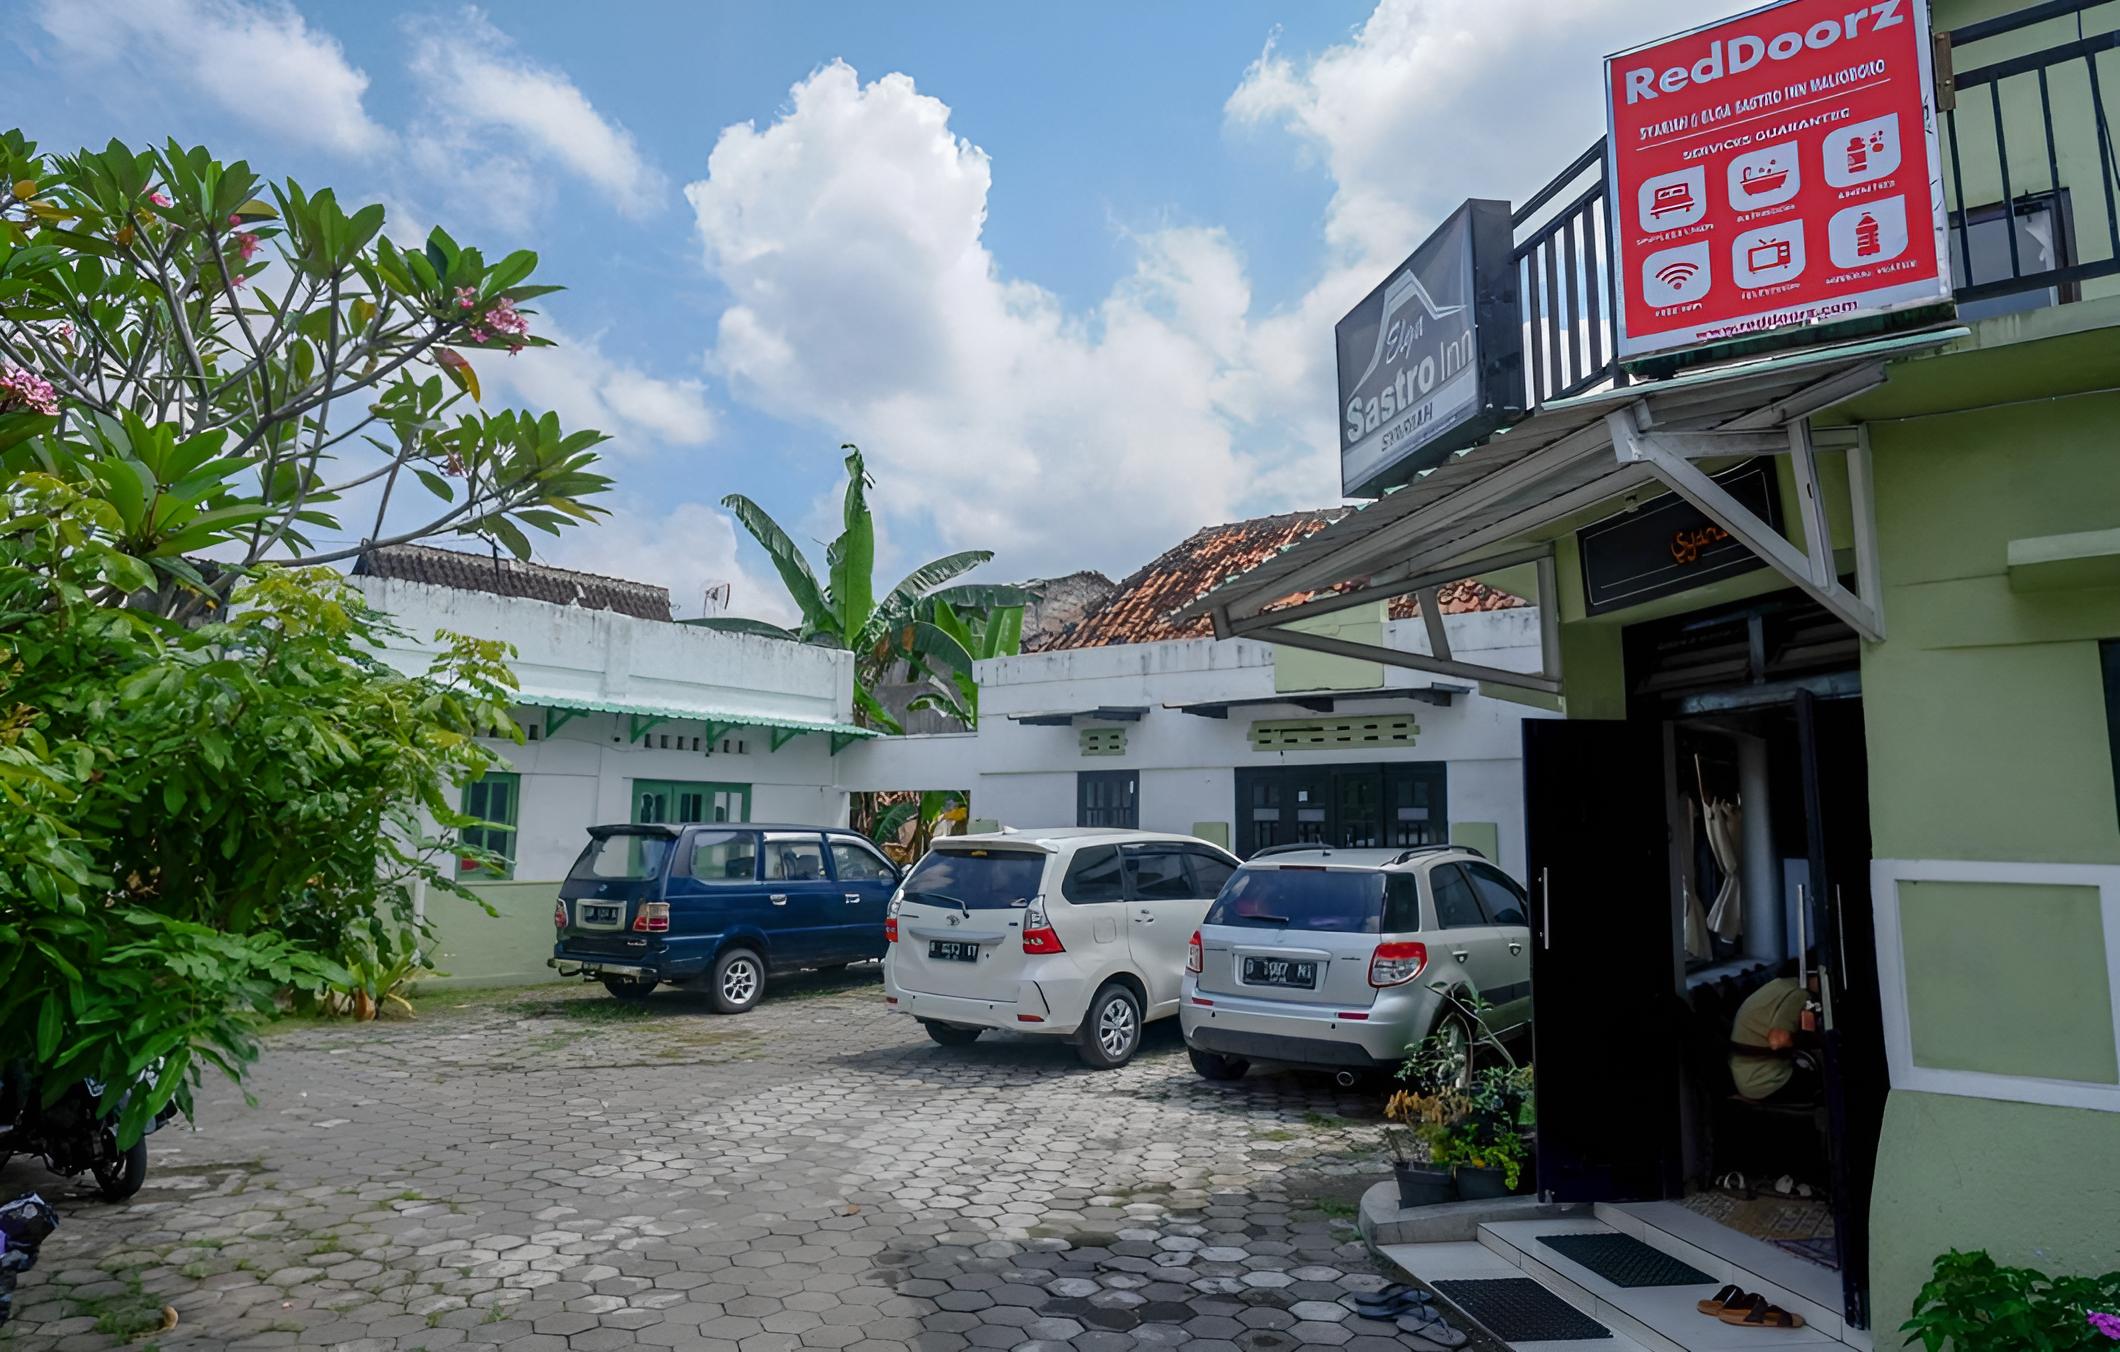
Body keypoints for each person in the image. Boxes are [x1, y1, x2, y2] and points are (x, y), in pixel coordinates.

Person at [1728, 965, 1819, 1104]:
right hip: (1765, 1081)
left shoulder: (1779, 986)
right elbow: (1778, 1040)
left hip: (1746, 1075)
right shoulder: (1799, 993)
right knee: (1825, 1082)